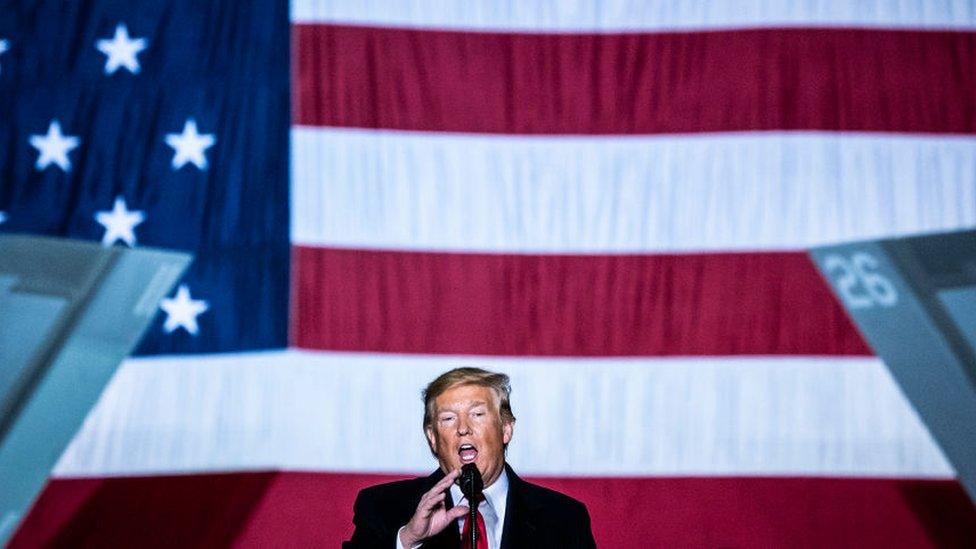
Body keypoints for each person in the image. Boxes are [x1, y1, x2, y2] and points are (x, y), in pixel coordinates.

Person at [343, 367, 596, 548]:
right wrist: (408, 540)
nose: (463, 428)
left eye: (477, 414)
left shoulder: (563, 518)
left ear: (506, 429)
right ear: (432, 437)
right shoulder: (383, 507)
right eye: (448, 418)